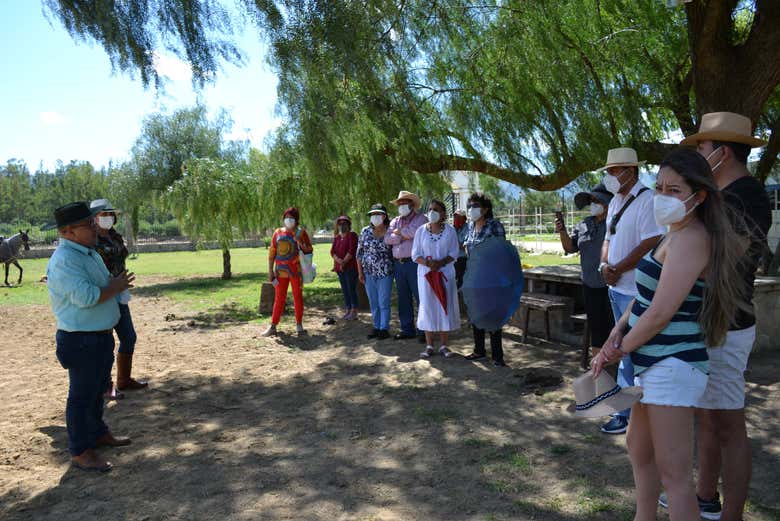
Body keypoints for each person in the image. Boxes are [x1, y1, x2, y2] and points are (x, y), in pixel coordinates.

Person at [591, 148, 745, 521]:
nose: (662, 196)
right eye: (659, 187)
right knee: (639, 450)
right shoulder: (671, 233)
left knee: (674, 475)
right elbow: (645, 297)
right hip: (652, 361)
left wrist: (619, 350)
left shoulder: (692, 237)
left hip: (673, 363)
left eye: (674, 190)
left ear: (699, 195)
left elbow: (661, 312)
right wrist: (617, 331)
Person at [679, 112, 772, 521]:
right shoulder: (717, 195)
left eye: (702, 147)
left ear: (722, 151)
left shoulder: (747, 196)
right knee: (709, 418)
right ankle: (705, 497)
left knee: (729, 424)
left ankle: (730, 513)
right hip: (708, 323)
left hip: (728, 326)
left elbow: (718, 259)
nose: (698, 154)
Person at [46, 201, 135, 472]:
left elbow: (102, 283)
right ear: (67, 232)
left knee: (97, 392)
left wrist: (115, 283)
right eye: (88, 224)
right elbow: (87, 297)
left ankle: (98, 433)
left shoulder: (87, 252)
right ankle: (80, 451)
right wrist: (116, 285)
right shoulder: (65, 260)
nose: (95, 227)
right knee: (81, 397)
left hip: (98, 337)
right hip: (81, 340)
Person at [597, 147, 665, 434]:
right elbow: (608, 238)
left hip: (635, 289)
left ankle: (627, 414)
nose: (610, 176)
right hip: (617, 286)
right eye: (608, 171)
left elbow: (650, 242)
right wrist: (604, 265)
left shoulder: (647, 200)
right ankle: (631, 411)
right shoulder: (614, 202)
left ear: (630, 171)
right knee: (619, 349)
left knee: (628, 351)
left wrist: (619, 268)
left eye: (614, 171)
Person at [91, 199, 147, 400]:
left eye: (109, 214)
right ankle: (106, 386)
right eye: (102, 215)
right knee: (105, 342)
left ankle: (124, 379)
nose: (107, 218)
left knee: (128, 336)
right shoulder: (90, 239)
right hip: (103, 293)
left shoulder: (115, 236)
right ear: (94, 218)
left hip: (119, 292)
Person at [555, 184, 615, 350]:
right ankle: (598, 368)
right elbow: (570, 248)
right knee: (596, 330)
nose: (593, 204)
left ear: (608, 203)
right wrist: (562, 230)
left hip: (611, 285)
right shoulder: (584, 224)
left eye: (597, 200)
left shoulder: (615, 224)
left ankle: (615, 368)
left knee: (613, 329)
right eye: (591, 201)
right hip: (589, 284)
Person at [463, 193, 508, 366]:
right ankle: (479, 350)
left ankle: (498, 356)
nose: (472, 209)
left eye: (476, 206)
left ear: (486, 209)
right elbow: (467, 247)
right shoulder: (470, 226)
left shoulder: (494, 226)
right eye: (470, 206)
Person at [412, 199, 461, 358]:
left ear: (443, 214)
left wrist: (440, 263)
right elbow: (415, 254)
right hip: (426, 275)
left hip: (445, 274)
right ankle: (429, 345)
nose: (432, 212)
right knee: (427, 306)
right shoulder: (420, 231)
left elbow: (454, 253)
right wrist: (428, 263)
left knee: (443, 304)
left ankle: (445, 345)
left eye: (436, 209)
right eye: (430, 209)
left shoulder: (450, 231)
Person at [262, 207, 313, 337]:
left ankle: (299, 325)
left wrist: (300, 242)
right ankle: (273, 325)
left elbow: (309, 250)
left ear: (296, 220)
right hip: (280, 272)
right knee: (279, 298)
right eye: (286, 217)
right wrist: (270, 271)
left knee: (297, 297)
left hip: (296, 272)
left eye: (292, 217)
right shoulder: (278, 232)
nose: (289, 220)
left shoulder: (301, 233)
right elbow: (272, 252)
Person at [385, 190, 428, 340]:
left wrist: (399, 234)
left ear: (411, 204)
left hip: (414, 263)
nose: (402, 206)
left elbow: (416, 233)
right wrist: (401, 235)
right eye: (400, 203)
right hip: (398, 264)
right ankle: (407, 329)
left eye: (404, 203)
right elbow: (387, 239)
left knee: (420, 296)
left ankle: (424, 330)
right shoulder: (395, 221)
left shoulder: (421, 219)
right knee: (403, 298)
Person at [357, 204, 395, 340]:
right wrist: (360, 272)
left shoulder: (390, 231)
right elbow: (359, 253)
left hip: (385, 272)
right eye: (372, 215)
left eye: (378, 214)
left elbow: (394, 253)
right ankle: (377, 326)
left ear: (384, 216)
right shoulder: (365, 231)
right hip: (368, 273)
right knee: (373, 302)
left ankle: (384, 328)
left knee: (383, 301)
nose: (375, 217)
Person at [331, 215, 359, 320]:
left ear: (349, 225)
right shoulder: (337, 237)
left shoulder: (352, 235)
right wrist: (338, 261)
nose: (342, 226)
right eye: (340, 224)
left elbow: (352, 250)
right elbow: (332, 251)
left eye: (345, 224)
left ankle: (354, 310)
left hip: (350, 267)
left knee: (351, 289)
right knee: (345, 289)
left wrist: (344, 262)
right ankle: (348, 309)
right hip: (340, 268)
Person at [453, 209, 468, 288]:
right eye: (455, 217)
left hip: (462, 258)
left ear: (464, 218)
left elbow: (465, 246)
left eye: (458, 217)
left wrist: (454, 243)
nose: (456, 219)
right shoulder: (452, 229)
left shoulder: (468, 228)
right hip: (453, 258)